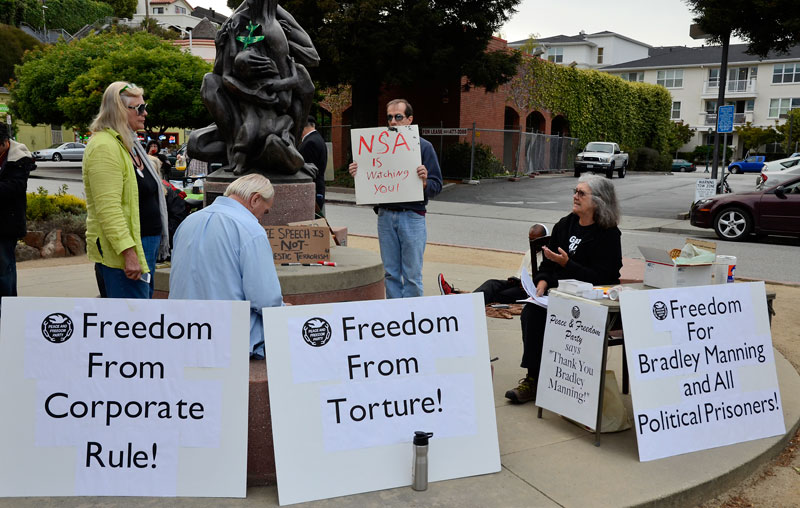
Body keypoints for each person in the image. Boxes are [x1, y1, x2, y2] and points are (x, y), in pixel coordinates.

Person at [506, 175, 622, 404]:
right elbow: (547, 265)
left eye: (581, 193)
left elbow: (606, 277)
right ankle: (533, 378)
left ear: (598, 201)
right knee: (532, 312)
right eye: (575, 191)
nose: (575, 197)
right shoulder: (564, 225)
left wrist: (567, 264)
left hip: (590, 301)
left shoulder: (608, 234)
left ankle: (570, 383)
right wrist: (542, 283)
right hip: (558, 295)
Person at [168, 174, 284, 359]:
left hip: (183, 330)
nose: (263, 217)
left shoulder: (188, 222)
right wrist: (283, 309)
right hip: (229, 336)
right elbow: (265, 300)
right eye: (266, 210)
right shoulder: (251, 229)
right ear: (255, 199)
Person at [348, 99, 443, 298]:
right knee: (390, 273)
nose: (393, 121)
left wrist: (425, 182)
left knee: (412, 275)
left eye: (398, 117)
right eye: (389, 117)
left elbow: (437, 185)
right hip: (385, 215)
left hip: (412, 216)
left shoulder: (423, 147)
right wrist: (358, 171)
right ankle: (396, 319)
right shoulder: (375, 146)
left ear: (409, 119)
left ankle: (413, 319)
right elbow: (371, 178)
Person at [83, 81, 170, 299]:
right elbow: (108, 209)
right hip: (125, 252)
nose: (145, 113)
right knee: (131, 322)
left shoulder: (128, 144)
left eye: (144, 106)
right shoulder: (104, 146)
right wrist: (128, 254)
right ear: (120, 110)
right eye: (139, 108)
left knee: (141, 317)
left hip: (144, 245)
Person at [437, 223, 549, 305]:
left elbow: (547, 280)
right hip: (519, 284)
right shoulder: (529, 252)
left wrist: (528, 284)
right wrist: (515, 280)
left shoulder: (548, 255)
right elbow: (522, 274)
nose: (532, 243)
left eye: (535, 240)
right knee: (491, 284)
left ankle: (461, 301)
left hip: (532, 291)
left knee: (500, 295)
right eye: (530, 240)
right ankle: (460, 299)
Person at [0, 123, 35, 314]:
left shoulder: (19, 159)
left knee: (4, 270)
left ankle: (9, 312)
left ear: (5, 143)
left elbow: (16, 187)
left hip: (7, 224)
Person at [298, 116, 328, 216]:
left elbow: (307, 169)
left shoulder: (310, 142)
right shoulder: (318, 138)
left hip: (313, 189)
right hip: (318, 188)